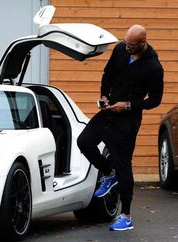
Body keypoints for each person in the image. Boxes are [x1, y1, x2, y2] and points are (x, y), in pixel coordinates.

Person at [77, 25, 164, 231]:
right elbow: (107, 73)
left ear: (142, 42)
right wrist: (104, 94)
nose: (127, 48)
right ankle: (108, 173)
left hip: (128, 121)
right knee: (84, 141)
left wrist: (129, 105)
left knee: (123, 164)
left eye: (131, 45)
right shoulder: (119, 49)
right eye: (126, 43)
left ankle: (126, 215)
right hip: (108, 111)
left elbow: (155, 100)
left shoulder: (153, 67)